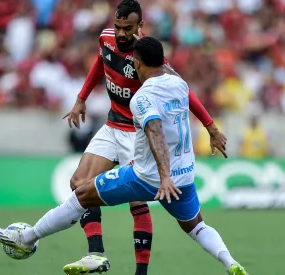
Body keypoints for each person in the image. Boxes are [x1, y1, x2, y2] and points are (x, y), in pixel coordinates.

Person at [0, 37, 248, 275]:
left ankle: (28, 239)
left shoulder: (142, 98)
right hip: (184, 178)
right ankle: (231, 263)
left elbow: (154, 130)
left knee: (81, 194)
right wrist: (211, 129)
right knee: (196, 226)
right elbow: (168, 78)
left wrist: (163, 176)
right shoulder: (179, 84)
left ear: (136, 62)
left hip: (146, 177)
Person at [60, 0, 227, 274]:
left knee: (136, 200)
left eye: (128, 28)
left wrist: (210, 126)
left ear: (140, 26)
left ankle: (141, 272)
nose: (121, 33)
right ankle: (96, 254)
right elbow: (99, 65)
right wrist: (81, 99)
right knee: (78, 182)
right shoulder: (106, 40)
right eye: (118, 27)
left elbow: (183, 91)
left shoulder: (149, 58)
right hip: (112, 124)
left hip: (135, 133)